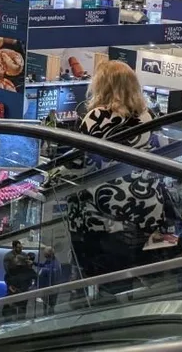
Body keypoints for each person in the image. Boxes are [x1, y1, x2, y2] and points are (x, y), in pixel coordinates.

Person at [65, 60, 162, 279]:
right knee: (127, 270)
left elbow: (78, 163)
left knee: (97, 272)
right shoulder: (147, 116)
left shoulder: (96, 117)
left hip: (103, 212)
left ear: (102, 85)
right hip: (143, 208)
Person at [36, 247, 63, 314]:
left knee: (50, 304)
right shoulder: (50, 260)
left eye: (44, 253)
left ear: (48, 255)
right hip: (49, 286)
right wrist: (34, 263)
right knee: (46, 304)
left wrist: (43, 270)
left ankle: (50, 314)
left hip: (52, 287)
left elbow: (52, 271)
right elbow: (44, 265)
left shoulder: (54, 264)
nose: (43, 255)